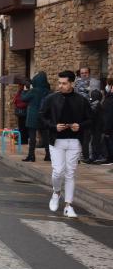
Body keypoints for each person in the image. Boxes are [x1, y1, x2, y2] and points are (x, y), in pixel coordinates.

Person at [40, 70, 91, 218]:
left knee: (70, 173)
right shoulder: (51, 99)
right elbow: (42, 116)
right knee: (58, 171)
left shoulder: (81, 100)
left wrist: (79, 126)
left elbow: (90, 120)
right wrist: (53, 126)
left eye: (64, 83)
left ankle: (68, 205)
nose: (61, 86)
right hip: (56, 141)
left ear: (71, 83)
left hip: (74, 141)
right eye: (59, 83)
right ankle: (56, 192)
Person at [22, 72, 51, 162]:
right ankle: (48, 155)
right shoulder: (48, 91)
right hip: (44, 116)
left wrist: (25, 90)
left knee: (32, 137)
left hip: (33, 116)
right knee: (46, 137)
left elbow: (24, 98)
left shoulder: (34, 90)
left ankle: (31, 156)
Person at [74, 66, 101, 162]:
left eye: (86, 72)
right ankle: (80, 155)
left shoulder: (95, 82)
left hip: (90, 113)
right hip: (78, 113)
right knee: (79, 135)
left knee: (88, 135)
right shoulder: (76, 83)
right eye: (82, 73)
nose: (84, 74)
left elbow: (96, 99)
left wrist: (91, 112)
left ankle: (88, 155)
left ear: (89, 73)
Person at [86, 89, 105, 164]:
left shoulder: (95, 105)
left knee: (94, 143)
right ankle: (93, 157)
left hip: (96, 128)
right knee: (93, 142)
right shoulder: (98, 104)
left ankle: (95, 157)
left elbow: (91, 115)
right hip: (96, 127)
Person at [100, 79, 113, 165]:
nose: (107, 87)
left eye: (109, 85)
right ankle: (109, 157)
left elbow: (109, 113)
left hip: (109, 124)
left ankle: (110, 158)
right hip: (106, 124)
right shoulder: (109, 96)